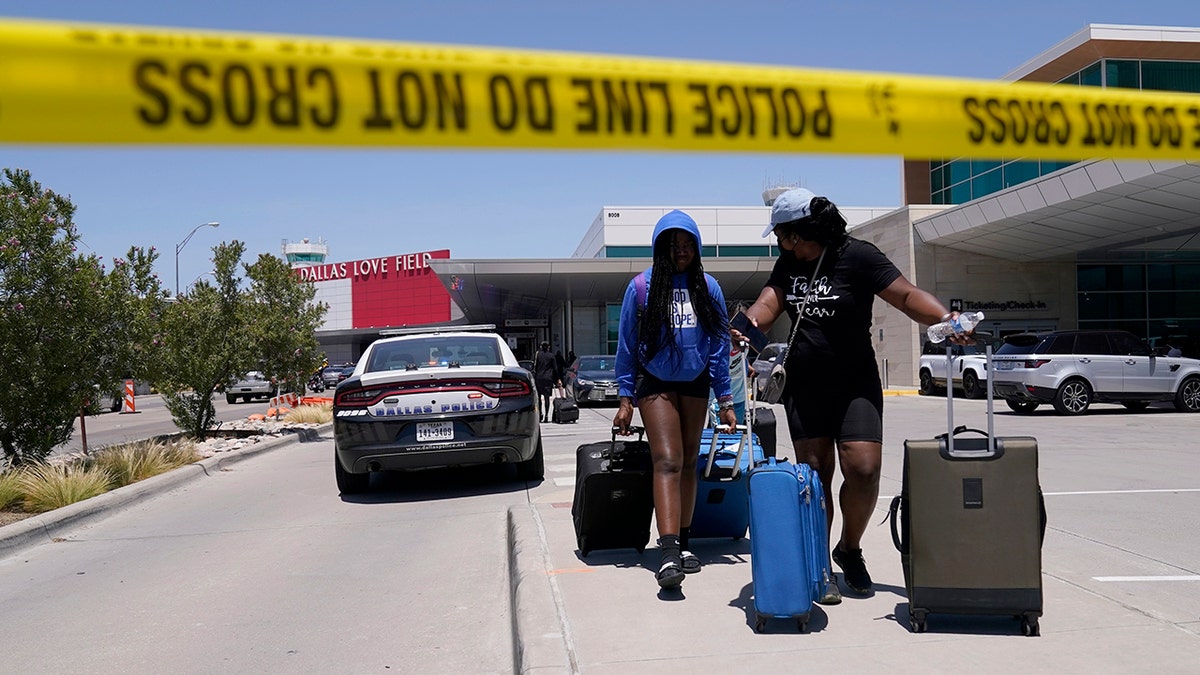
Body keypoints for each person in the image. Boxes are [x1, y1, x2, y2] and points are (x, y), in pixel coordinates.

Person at [733, 188, 971, 604]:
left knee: (863, 469)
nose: (780, 242)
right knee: (815, 474)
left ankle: (849, 548)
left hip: (855, 381)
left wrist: (946, 318)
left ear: (801, 230)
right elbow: (767, 305)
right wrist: (748, 325)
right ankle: (818, 561)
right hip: (805, 383)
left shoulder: (858, 256)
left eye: (782, 234)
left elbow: (906, 296)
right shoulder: (788, 265)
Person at [613, 210, 739, 590]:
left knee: (687, 464)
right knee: (667, 460)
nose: (681, 252)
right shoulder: (640, 288)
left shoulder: (709, 287)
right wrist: (625, 397)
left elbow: (719, 346)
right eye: (673, 245)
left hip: (696, 382)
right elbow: (627, 346)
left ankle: (684, 543)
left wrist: (726, 398)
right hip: (655, 382)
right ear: (660, 249)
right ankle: (667, 552)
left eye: (687, 245)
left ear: (697, 248)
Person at [533, 341, 560, 422]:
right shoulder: (551, 356)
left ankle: (540, 414)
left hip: (538, 378)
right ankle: (547, 416)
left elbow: (534, 366)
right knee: (547, 397)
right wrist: (558, 379)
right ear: (548, 347)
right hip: (548, 378)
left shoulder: (537, 355)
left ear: (541, 347)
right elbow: (555, 369)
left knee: (538, 398)